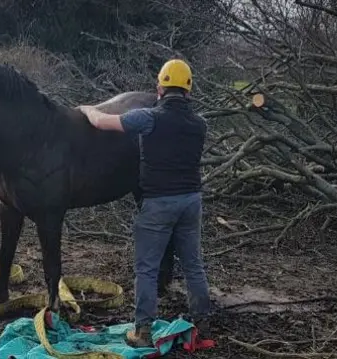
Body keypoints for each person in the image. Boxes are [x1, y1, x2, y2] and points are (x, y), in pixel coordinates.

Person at [78, 59, 211, 348]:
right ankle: (203, 321)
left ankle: (143, 331)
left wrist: (87, 109)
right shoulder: (200, 124)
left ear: (159, 88)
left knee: (147, 269)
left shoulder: (148, 118)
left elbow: (101, 122)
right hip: (191, 201)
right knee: (193, 264)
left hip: (159, 203)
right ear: (189, 91)